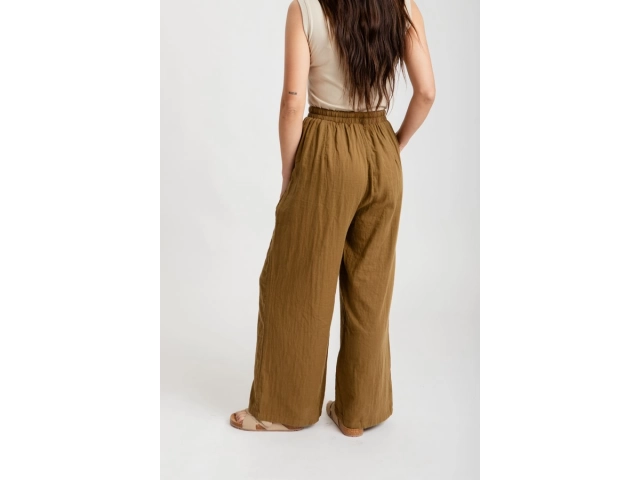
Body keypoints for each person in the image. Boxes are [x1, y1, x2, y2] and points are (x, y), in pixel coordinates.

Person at [230, 0, 435, 436]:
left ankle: (284, 409)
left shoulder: (305, 9)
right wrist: (393, 144)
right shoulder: (403, 7)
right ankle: (359, 413)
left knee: (295, 279)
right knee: (370, 285)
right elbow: (427, 92)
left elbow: (292, 103)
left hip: (326, 147)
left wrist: (289, 172)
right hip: (381, 146)